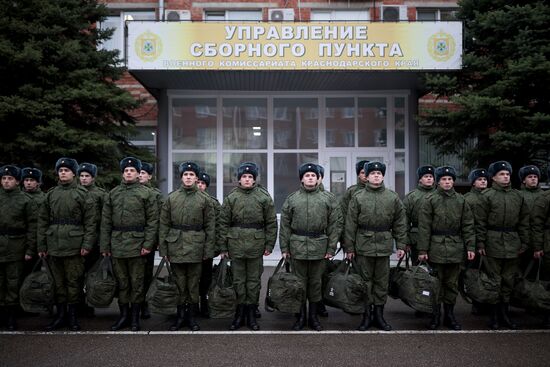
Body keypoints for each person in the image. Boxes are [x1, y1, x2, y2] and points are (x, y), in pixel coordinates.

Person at [344, 161, 407, 331]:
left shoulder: (392, 197)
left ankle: (379, 315)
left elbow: (400, 223)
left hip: (384, 246)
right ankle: (366, 315)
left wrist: (401, 244)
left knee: (381, 282)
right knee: (365, 282)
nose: (376, 176)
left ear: (383, 176)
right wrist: (349, 247)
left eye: (379, 173)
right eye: (372, 173)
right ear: (367, 176)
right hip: (363, 245)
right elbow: (350, 224)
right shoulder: (358, 197)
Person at [279, 163, 341, 331]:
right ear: (301, 179)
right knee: (299, 284)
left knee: (315, 283)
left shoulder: (328, 198)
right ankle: (300, 317)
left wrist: (331, 248)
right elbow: (284, 225)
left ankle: (313, 317)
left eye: (313, 175)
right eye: (307, 175)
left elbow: (334, 225)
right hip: (297, 246)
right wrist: (284, 248)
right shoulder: (292, 199)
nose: (310, 178)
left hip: (319, 247)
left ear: (318, 179)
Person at [37, 158, 97, 331]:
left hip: (74, 245)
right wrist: (41, 246)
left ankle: (72, 316)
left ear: (74, 173)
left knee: (74, 283)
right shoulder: (51, 194)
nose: (63, 172)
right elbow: (42, 222)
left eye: (66, 170)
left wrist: (87, 244)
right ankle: (60, 315)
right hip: (54, 245)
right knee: (58, 283)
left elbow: (90, 223)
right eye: (61, 170)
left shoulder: (83, 194)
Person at [100, 157, 158, 332]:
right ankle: (123, 316)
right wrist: (105, 246)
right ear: (123, 173)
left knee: (137, 283)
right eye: (126, 170)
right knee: (122, 283)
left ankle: (135, 318)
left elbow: (152, 222)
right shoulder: (113, 193)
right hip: (117, 244)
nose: (129, 173)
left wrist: (148, 244)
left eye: (132, 170)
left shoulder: (146, 193)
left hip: (137, 245)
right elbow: (106, 222)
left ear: (138, 173)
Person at [218, 162, 277, 331]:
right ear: (239, 179)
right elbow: (223, 223)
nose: (247, 179)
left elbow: (271, 223)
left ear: (254, 179)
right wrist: (223, 247)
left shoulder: (263, 197)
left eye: (250, 177)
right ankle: (239, 313)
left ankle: (251, 313)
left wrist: (269, 245)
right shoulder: (231, 198)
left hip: (256, 245)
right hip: (235, 245)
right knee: (238, 281)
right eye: (244, 176)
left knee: (253, 282)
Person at [417, 166, 476, 330]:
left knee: (451, 284)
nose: (447, 182)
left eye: (450, 179)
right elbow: (424, 227)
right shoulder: (430, 200)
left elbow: (468, 225)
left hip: (455, 247)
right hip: (436, 246)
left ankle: (449, 315)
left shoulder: (461, 200)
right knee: (436, 284)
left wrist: (471, 247)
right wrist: (423, 250)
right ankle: (435, 315)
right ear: (438, 181)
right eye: (443, 179)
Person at [159, 162, 215, 331]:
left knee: (193, 285)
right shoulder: (171, 198)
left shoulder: (205, 200)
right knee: (178, 283)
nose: (188, 177)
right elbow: (164, 225)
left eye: (191, 175)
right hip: (176, 246)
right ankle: (180, 316)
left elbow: (210, 227)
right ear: (181, 177)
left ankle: (191, 317)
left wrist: (208, 250)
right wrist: (164, 249)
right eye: (185, 175)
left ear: (196, 178)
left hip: (196, 247)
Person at [477, 160, 530, 330]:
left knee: (508, 281)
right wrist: (481, 243)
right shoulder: (486, 196)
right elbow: (480, 222)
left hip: (512, 242)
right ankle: (493, 316)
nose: (505, 177)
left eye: (507, 174)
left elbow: (524, 221)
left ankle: (504, 314)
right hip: (492, 241)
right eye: (501, 174)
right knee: (494, 281)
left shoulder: (517, 196)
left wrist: (524, 241)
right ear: (493, 177)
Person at [0, 165, 37, 330]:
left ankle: (11, 316)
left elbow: (32, 227)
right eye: (4, 178)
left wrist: (30, 250)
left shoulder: (25, 200)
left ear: (17, 181)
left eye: (10, 179)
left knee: (13, 283)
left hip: (16, 246)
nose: (6, 182)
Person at [77, 162, 106, 317]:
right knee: (77, 275)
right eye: (81, 176)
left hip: (94, 241)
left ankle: (89, 302)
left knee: (91, 273)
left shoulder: (100, 194)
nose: (84, 179)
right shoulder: (75, 192)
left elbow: (105, 219)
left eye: (87, 176)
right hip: (76, 239)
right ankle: (79, 303)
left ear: (93, 178)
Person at [138, 161, 164, 320]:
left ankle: (144, 304)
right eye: (138, 172)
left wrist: (159, 240)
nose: (140, 175)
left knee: (146, 274)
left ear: (149, 176)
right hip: (128, 240)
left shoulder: (155, 195)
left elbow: (161, 219)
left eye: (143, 173)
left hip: (148, 239)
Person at [464, 168, 490, 315]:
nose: (483, 181)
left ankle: (487, 301)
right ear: (473, 182)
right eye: (480, 179)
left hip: (490, 240)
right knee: (474, 273)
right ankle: (477, 302)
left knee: (488, 273)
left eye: (485, 179)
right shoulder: (468, 199)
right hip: (473, 241)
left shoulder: (490, 197)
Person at [196, 171, 221, 318]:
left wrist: (215, 247)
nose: (199, 185)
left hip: (207, 247)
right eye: (198, 182)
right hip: (189, 247)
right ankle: (191, 305)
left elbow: (218, 226)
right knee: (192, 277)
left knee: (206, 277)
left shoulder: (213, 203)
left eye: (202, 184)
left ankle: (204, 304)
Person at [403, 165, 435, 265]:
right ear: (420, 179)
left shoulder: (439, 195)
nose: (429, 178)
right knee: (417, 272)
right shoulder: (412, 196)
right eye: (426, 176)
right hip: (416, 239)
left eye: (431, 176)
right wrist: (406, 241)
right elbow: (405, 220)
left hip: (436, 239)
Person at [531, 167, 550, 328]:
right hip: (548, 242)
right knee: (546, 281)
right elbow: (537, 224)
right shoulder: (545, 198)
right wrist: (538, 246)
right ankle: (546, 313)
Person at [517, 165, 543, 275]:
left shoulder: (544, 195)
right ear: (523, 180)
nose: (533, 179)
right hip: (522, 239)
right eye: (530, 177)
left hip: (542, 239)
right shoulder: (518, 195)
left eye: (535, 176)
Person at [340, 160, 369, 246]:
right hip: (355, 235)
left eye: (368, 172)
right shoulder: (351, 191)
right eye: (363, 172)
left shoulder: (382, 192)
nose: (365, 175)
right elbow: (344, 213)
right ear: (358, 175)